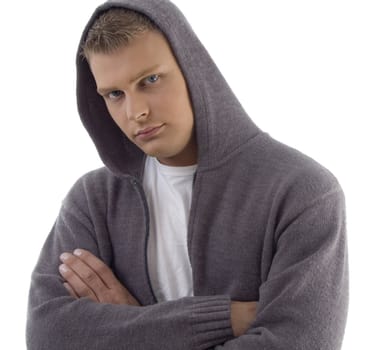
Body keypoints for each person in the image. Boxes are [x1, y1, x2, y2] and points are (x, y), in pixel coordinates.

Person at [26, 0, 348, 348]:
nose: (136, 111)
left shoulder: (302, 192)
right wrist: (222, 319)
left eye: (150, 80)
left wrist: (130, 326)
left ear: (193, 69)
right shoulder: (92, 202)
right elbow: (48, 336)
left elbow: (297, 343)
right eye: (115, 94)